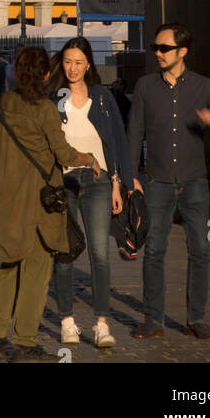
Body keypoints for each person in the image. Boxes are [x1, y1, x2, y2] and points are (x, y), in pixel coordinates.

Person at [0, 46, 101, 362]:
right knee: (36, 274)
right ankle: (25, 343)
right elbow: (64, 154)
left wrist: (6, 160)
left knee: (7, 268)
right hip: (41, 206)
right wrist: (89, 158)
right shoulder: (44, 109)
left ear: (16, 71)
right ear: (45, 75)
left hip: (5, 202)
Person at [127, 22, 210, 341]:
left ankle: (197, 318)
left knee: (200, 249)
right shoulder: (146, 86)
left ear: (182, 51)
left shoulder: (204, 86)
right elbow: (134, 133)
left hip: (194, 181)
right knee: (154, 250)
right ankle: (152, 318)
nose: (158, 54)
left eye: (164, 48)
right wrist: (132, 176)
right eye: (155, 48)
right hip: (157, 180)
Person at [46, 36, 138, 348]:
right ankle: (67, 320)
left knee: (100, 252)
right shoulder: (54, 97)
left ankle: (101, 323)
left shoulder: (102, 97)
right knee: (65, 252)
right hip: (63, 182)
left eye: (79, 63)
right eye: (68, 62)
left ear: (88, 65)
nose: (72, 68)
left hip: (98, 181)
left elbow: (116, 140)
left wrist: (120, 182)